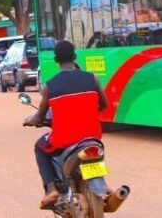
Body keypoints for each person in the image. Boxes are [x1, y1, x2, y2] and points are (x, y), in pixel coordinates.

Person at [23, 40, 108, 209]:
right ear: (75, 57)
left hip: (65, 140)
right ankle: (104, 186)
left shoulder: (50, 86)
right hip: (92, 138)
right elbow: (104, 105)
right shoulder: (92, 79)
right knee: (96, 152)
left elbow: (39, 117)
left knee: (40, 147)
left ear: (56, 60)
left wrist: (30, 120)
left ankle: (52, 189)